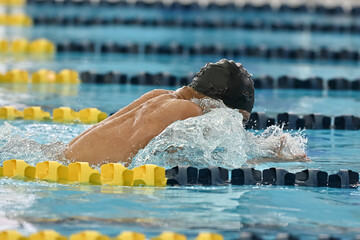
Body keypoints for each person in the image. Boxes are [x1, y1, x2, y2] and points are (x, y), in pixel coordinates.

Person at [64, 59, 255, 166]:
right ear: (217, 105)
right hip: (85, 176)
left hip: (66, 160)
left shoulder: (159, 96)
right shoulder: (188, 110)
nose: (236, 126)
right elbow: (204, 160)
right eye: (238, 118)